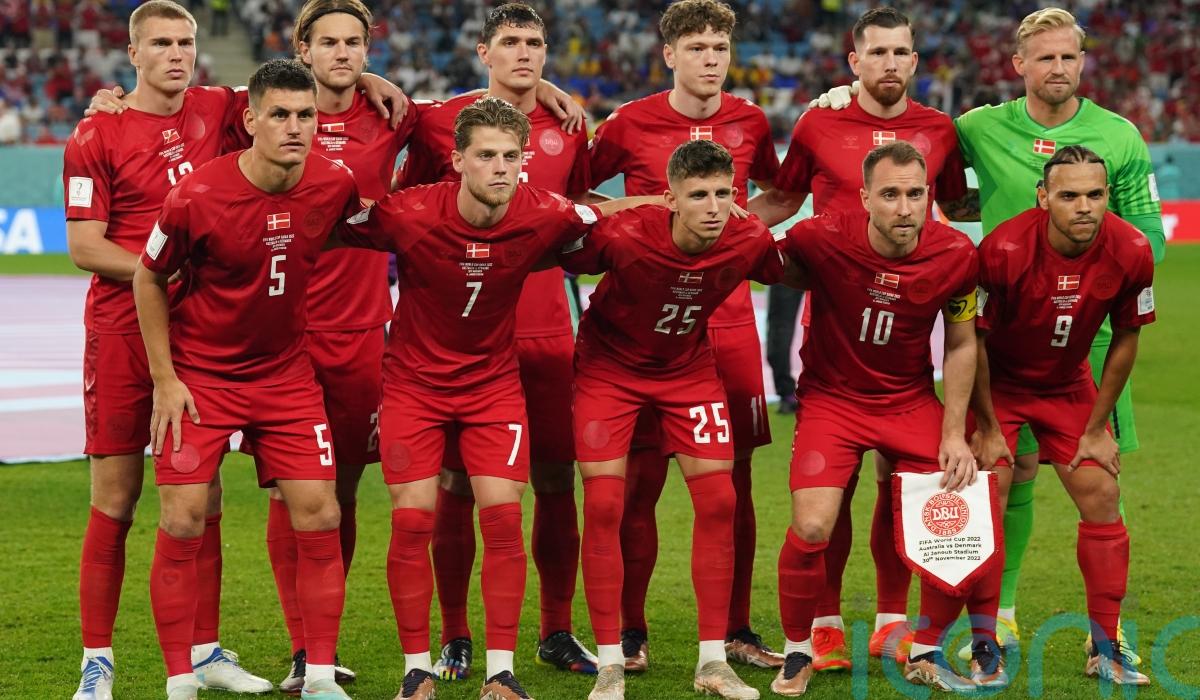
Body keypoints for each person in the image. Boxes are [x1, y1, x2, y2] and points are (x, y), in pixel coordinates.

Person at [811, 9, 1165, 659]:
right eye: (1046, 57)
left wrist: (1096, 268)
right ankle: (995, 619)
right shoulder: (976, 126)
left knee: (1095, 481)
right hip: (999, 333)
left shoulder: (1120, 135)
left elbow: (1149, 232)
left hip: (1084, 338)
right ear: (1019, 65)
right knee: (1002, 477)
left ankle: (1103, 636)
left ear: (1084, 62)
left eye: (1069, 57)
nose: (1058, 68)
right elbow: (908, 130)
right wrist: (845, 97)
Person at [335, 96, 657, 700]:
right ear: (457, 161)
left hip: (492, 387)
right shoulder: (409, 211)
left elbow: (605, 214)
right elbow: (325, 223)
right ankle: (417, 671)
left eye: (511, 156)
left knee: (505, 518)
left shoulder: (545, 212)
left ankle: (501, 672)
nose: (501, 168)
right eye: (486, 156)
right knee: (412, 519)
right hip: (414, 387)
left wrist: (671, 203)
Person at [747, 6, 974, 671]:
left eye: (901, 52)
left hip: (906, 330)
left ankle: (891, 620)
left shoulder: (940, 129)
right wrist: (714, 230)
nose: (890, 63)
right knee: (833, 491)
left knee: (898, 486)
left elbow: (958, 207)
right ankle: (823, 624)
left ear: (915, 60)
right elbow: (782, 200)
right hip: (833, 321)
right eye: (877, 52)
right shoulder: (819, 123)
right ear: (855, 61)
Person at [132, 59, 363, 700]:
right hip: (202, 377)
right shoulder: (197, 195)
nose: (295, 127)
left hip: (286, 377)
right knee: (184, 518)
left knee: (320, 512)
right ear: (251, 120)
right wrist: (165, 379)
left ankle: (319, 678)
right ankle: (180, 681)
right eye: (280, 114)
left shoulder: (335, 183)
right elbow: (148, 277)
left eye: (306, 115)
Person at [62, 2, 270, 698]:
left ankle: (205, 652)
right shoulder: (97, 132)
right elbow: (84, 246)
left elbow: (305, 87)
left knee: (202, 494)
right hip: (122, 333)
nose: (176, 54)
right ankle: (97, 662)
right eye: (160, 43)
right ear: (133, 53)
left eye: (185, 41)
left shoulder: (220, 107)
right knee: (116, 499)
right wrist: (164, 270)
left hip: (199, 336)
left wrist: (375, 83)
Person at [394, 3, 598, 679]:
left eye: (534, 43)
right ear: (483, 51)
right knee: (455, 483)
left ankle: (556, 629)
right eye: (509, 41)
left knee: (555, 480)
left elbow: (581, 219)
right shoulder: (439, 121)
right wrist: (369, 78)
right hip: (460, 336)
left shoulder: (570, 126)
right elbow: (407, 204)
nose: (524, 53)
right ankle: (455, 635)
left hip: (546, 329)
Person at [587, 0, 783, 671]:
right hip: (647, 329)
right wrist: (644, 208)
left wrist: (735, 233)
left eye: (719, 47)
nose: (710, 59)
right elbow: (577, 194)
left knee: (735, 484)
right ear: (669, 54)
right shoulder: (630, 122)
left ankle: (736, 629)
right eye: (696, 47)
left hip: (728, 322)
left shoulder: (751, 121)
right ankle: (631, 631)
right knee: (638, 481)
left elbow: (782, 194)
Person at [771, 142, 1001, 695]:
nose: (904, 208)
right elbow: (757, 257)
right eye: (891, 195)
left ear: (929, 196)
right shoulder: (820, 236)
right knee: (812, 525)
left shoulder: (956, 254)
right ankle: (799, 649)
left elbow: (961, 344)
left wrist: (955, 432)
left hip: (907, 399)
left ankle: (925, 649)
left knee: (960, 505)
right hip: (832, 400)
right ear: (865, 198)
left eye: (915, 194)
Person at [565, 139, 784, 700]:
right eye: (698, 195)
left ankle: (713, 661)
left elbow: (804, 268)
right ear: (671, 199)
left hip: (688, 371)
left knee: (720, 501)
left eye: (723, 194)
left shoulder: (749, 239)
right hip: (609, 371)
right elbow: (556, 247)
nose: (713, 207)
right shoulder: (624, 235)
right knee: (606, 504)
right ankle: (610, 664)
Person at [251, 0, 421, 690]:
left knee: (342, 491)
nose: (342, 53)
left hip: (359, 333)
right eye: (328, 42)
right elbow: (186, 104)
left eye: (354, 42)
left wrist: (545, 87)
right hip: (281, 335)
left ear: (368, 49)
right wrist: (110, 100)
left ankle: (322, 642)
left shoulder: (394, 117)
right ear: (303, 48)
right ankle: (302, 648)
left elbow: (476, 114)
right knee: (288, 493)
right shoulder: (269, 111)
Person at [970, 145, 1154, 686]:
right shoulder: (1002, 250)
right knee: (987, 499)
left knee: (1102, 495)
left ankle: (1106, 646)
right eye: (1069, 195)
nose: (1084, 206)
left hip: (1068, 385)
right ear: (1043, 197)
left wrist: (1097, 428)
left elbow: (1127, 337)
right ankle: (984, 644)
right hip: (1000, 386)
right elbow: (970, 341)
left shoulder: (1132, 249)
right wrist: (985, 427)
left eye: (1095, 194)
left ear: (1108, 195)